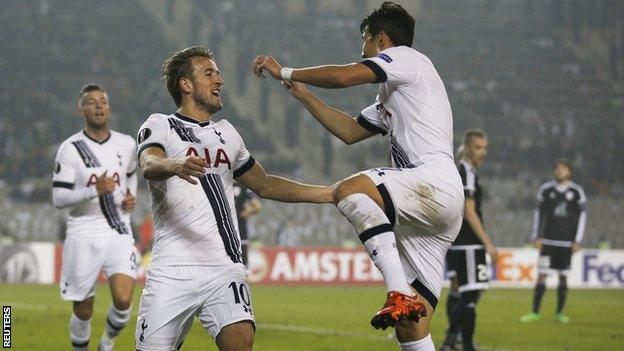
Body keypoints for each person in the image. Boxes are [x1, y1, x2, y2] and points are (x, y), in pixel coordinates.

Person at [252, 2, 464, 350]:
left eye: (364, 40)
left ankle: (396, 291)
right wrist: (305, 96)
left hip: (433, 184)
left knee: (354, 190)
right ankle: (403, 299)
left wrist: (286, 72)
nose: (361, 49)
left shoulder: (410, 59)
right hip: (432, 212)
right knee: (412, 328)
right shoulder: (393, 95)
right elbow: (349, 131)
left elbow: (345, 76)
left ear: (382, 40)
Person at [135, 46, 332, 351]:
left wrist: (329, 193)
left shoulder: (227, 133)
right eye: (209, 73)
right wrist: (174, 164)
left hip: (224, 267)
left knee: (241, 341)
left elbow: (264, 185)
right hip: (173, 270)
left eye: (218, 72)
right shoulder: (161, 125)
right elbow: (149, 164)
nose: (220, 80)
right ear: (186, 85)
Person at [52, 84, 139, 351]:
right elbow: (59, 198)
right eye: (91, 102)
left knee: (124, 299)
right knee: (83, 308)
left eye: (103, 101)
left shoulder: (127, 144)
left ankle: (107, 342)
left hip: (117, 228)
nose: (99, 105)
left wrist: (130, 196)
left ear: (109, 108)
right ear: (81, 110)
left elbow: (131, 174)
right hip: (83, 230)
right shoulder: (70, 149)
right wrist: (94, 190)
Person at [441, 130, 498, 351]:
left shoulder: (456, 170)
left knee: (458, 290)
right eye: (478, 147)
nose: (483, 152)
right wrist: (488, 244)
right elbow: (470, 211)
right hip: (469, 242)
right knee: (471, 295)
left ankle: (451, 340)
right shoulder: (468, 172)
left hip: (455, 241)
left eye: (485, 148)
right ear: (466, 147)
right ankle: (462, 343)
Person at [520, 159, 587, 324]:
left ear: (569, 172)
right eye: (556, 168)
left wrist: (578, 240)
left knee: (563, 278)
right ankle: (535, 312)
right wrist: (536, 236)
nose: (559, 171)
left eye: (563, 168)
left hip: (566, 244)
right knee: (542, 275)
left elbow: (582, 217)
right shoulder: (545, 190)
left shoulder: (577, 192)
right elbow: (538, 215)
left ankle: (559, 313)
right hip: (548, 242)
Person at [233, 181, 262, 266]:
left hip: (226, 223)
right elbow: (257, 206)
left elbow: (257, 207)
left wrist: (241, 214)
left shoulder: (220, 180)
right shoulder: (243, 184)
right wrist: (242, 213)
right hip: (239, 226)